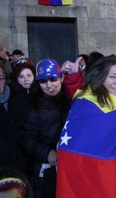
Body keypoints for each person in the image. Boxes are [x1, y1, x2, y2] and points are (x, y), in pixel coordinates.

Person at [56, 55, 116, 198]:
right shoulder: (85, 103)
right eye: (112, 77)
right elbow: (82, 147)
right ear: (100, 77)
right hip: (88, 184)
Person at [21, 59, 73, 198]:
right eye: (43, 81)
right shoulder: (33, 106)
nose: (49, 85)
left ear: (61, 78)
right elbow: (27, 139)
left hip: (70, 165)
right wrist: (47, 153)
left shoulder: (71, 100)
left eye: (53, 79)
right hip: (46, 170)